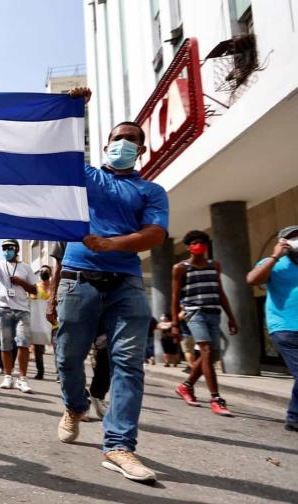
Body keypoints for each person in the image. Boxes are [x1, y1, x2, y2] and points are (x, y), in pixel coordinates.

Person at [53, 89, 169, 483]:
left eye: (132, 139)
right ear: (105, 145)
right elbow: (61, 151)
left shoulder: (150, 191)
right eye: (118, 137)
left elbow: (154, 234)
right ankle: (74, 405)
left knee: (128, 365)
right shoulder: (86, 177)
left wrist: (112, 244)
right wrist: (76, 111)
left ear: (141, 150)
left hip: (126, 284)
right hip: (77, 277)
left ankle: (119, 446)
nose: (124, 143)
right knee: (68, 356)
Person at [171, 230, 238, 416]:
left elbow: (221, 292)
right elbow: (175, 296)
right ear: (188, 246)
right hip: (194, 313)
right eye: (194, 242)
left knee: (212, 355)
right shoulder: (180, 268)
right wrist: (175, 323)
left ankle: (186, 386)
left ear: (207, 245)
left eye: (202, 242)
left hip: (214, 312)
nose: (198, 245)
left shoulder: (214, 265)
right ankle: (216, 399)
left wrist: (231, 317)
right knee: (206, 351)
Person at [247, 225, 298, 432]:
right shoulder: (273, 264)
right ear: (282, 243)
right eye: (291, 238)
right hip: (285, 328)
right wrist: (275, 257)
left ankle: (294, 416)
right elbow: (252, 279)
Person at [0, 239, 37, 393]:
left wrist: (21, 283)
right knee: (5, 344)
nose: (6, 251)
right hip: (3, 309)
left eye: (9, 248)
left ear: (16, 249)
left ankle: (22, 379)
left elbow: (35, 290)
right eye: (4, 248)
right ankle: (8, 376)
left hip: (23, 310)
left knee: (23, 343)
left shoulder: (26, 268)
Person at [30, 265, 54, 380]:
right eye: (42, 271)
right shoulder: (36, 287)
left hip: (54, 323)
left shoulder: (55, 287)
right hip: (39, 323)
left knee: (59, 348)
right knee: (38, 351)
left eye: (46, 271)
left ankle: (60, 374)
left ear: (50, 273)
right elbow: (32, 303)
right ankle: (40, 372)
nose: (44, 272)